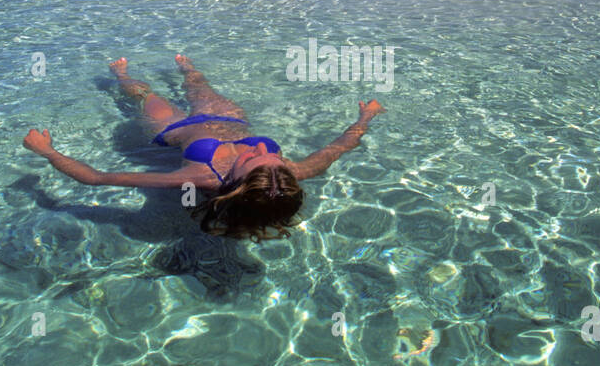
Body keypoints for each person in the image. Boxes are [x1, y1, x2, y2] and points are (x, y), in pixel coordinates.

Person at [22, 55, 384, 241]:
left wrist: (48, 152)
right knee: (197, 82)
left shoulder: (199, 176)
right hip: (229, 120)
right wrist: (366, 116)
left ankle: (120, 75)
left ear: (235, 184)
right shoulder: (290, 172)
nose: (258, 151)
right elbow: (340, 146)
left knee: (144, 94)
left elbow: (98, 179)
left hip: (175, 131)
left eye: (251, 160)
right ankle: (186, 67)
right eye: (267, 153)